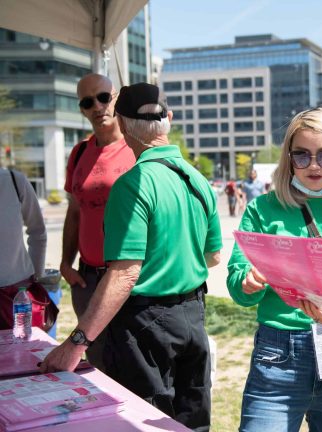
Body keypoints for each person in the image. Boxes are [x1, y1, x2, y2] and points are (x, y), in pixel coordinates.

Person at [41, 83, 222, 432]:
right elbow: (213, 256)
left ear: (122, 125)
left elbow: (124, 273)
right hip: (193, 315)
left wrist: (76, 343)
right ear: (167, 120)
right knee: (192, 420)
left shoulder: (132, 183)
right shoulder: (198, 180)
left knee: (145, 422)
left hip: (146, 323)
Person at [227, 107, 322, 432]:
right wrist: (249, 282)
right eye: (302, 156)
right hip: (279, 352)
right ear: (288, 158)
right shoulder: (262, 209)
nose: (313, 165)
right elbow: (236, 285)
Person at [60, 73, 135, 370]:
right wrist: (66, 263)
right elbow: (75, 211)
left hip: (129, 279)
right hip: (87, 279)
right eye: (88, 101)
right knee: (98, 368)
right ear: (82, 108)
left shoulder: (137, 148)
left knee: (134, 369)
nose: (97, 106)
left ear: (116, 98)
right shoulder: (79, 153)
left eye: (104, 97)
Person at [0, 167, 47, 329]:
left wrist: (35, 279)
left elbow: (38, 233)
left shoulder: (15, 181)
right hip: (17, 293)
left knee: (21, 352)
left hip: (15, 296)